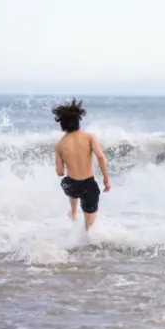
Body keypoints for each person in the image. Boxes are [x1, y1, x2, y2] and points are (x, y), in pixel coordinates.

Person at [53, 99, 110, 232]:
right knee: (90, 225)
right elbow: (100, 157)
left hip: (71, 186)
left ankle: (73, 212)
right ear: (78, 120)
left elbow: (60, 172)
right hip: (88, 185)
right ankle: (87, 245)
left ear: (62, 124)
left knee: (68, 181)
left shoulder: (59, 145)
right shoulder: (89, 137)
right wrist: (106, 179)